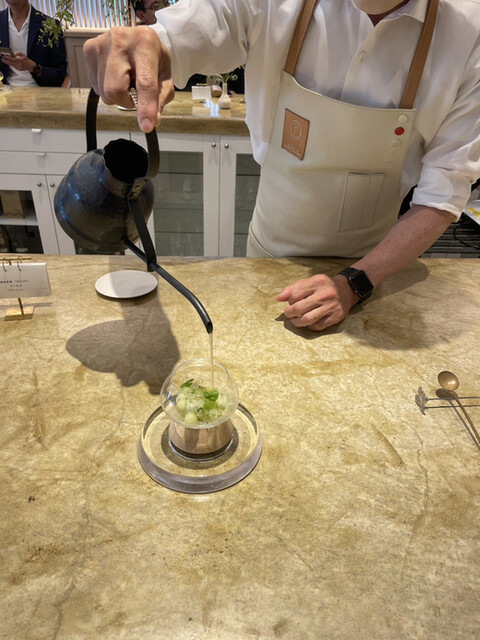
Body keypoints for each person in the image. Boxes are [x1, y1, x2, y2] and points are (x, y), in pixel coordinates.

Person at [83, 0, 480, 331]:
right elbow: (210, 19)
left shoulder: (469, 32)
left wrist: (356, 283)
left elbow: (443, 195)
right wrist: (155, 43)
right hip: (268, 251)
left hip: (373, 267)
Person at [0, 0, 67, 87]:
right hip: (5, 90)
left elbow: (59, 75)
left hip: (39, 90)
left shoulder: (50, 26)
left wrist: (33, 67)